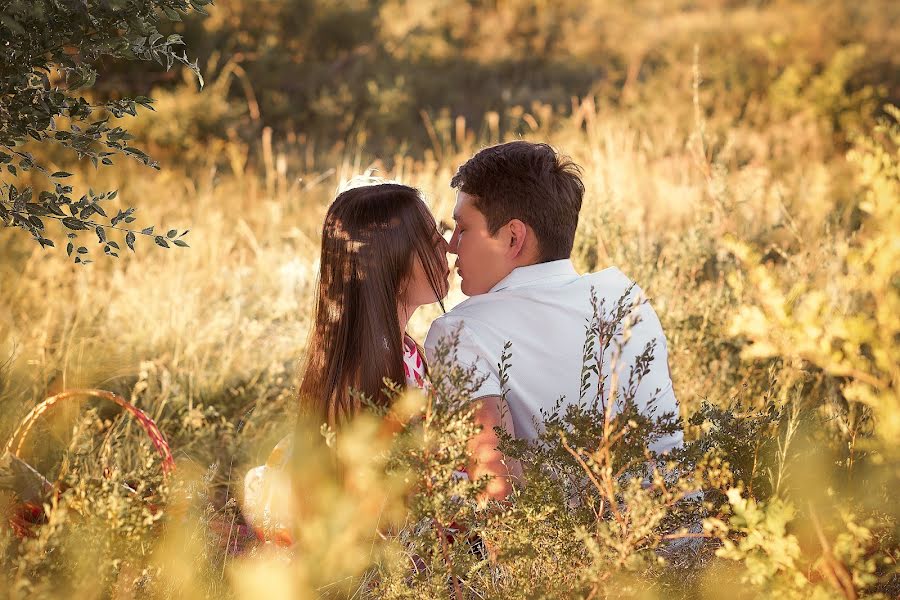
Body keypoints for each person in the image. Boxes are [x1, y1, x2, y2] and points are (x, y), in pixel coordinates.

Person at [424, 141, 682, 503]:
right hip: (684, 538)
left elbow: (496, 490)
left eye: (463, 228)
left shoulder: (460, 333)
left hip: (575, 555)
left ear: (513, 237)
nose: (451, 246)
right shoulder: (626, 297)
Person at [242, 182, 450, 545]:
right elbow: (363, 494)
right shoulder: (365, 372)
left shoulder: (400, 349)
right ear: (394, 266)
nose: (446, 247)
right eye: (433, 241)